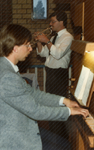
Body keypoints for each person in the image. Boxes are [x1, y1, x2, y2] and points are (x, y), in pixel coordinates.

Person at [0, 24, 89, 150]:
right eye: (27, 45)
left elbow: (34, 94)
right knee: (65, 147)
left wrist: (64, 101)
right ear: (15, 48)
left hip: (19, 129)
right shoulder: (6, 76)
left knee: (64, 145)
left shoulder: (5, 67)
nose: (30, 49)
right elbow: (36, 111)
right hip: (12, 141)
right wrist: (69, 111)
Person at [35, 11, 74, 139]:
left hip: (59, 75)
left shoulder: (68, 37)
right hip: (50, 73)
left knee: (58, 107)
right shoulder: (53, 37)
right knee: (50, 106)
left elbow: (58, 54)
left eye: (53, 21)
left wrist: (46, 41)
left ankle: (61, 139)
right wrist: (39, 42)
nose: (50, 24)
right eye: (50, 21)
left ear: (61, 22)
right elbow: (43, 54)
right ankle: (54, 137)